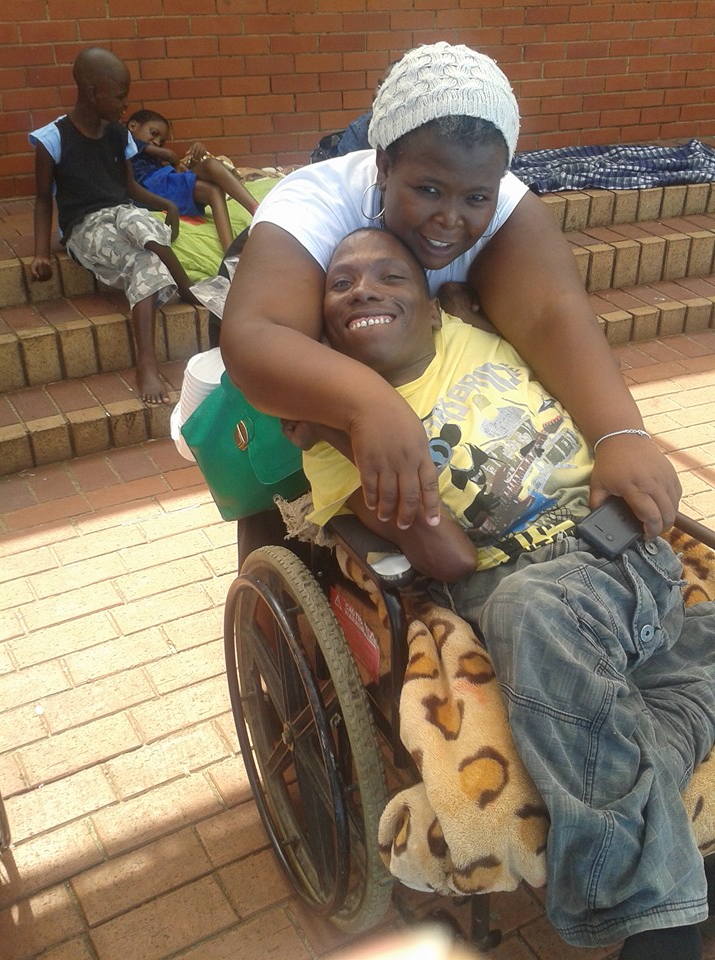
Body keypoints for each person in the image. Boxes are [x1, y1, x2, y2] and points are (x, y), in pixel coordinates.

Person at [298, 227, 715, 960]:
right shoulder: (336, 447)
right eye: (341, 284)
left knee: (535, 612)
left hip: (612, 548)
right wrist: (347, 438)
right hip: (508, 589)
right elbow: (452, 559)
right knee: (537, 615)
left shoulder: (482, 338)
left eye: (391, 277)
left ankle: (651, 914)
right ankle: (687, 707)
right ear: (326, 331)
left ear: (432, 307)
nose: (364, 290)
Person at [220, 41, 681, 555]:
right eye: (428, 190)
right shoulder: (313, 204)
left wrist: (621, 435)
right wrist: (370, 405)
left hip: (449, 417)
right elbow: (255, 339)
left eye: (476, 198)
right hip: (302, 408)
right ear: (383, 166)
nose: (450, 219)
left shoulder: (507, 207)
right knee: (280, 518)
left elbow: (553, 317)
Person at [29, 47, 196, 404]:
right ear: (93, 93)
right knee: (142, 261)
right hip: (84, 225)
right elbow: (43, 200)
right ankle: (146, 365)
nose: (125, 105)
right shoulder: (52, 139)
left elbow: (129, 188)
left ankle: (184, 286)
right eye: (120, 97)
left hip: (121, 209)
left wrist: (166, 205)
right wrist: (41, 253)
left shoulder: (119, 135)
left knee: (142, 224)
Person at [126, 109, 259, 253]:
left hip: (162, 186)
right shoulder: (129, 143)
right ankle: (257, 209)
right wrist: (176, 162)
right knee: (211, 165)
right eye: (153, 133)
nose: (157, 142)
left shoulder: (153, 159)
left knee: (213, 189)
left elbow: (180, 175)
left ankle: (229, 252)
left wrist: (195, 158)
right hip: (151, 188)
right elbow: (170, 156)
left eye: (162, 141)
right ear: (133, 126)